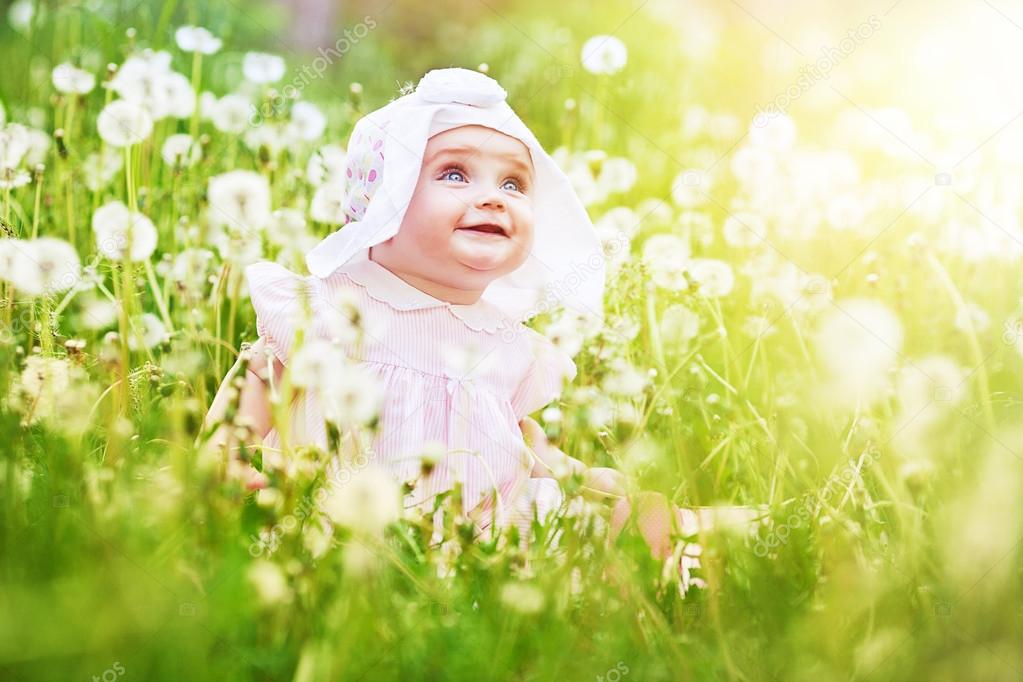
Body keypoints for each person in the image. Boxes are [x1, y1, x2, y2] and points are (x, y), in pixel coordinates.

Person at [204, 66, 690, 557]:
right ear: (383, 205)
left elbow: (519, 439)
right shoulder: (332, 306)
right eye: (454, 174)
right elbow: (262, 376)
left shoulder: (508, 340)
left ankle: (693, 537)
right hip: (336, 522)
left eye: (514, 185)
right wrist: (226, 453)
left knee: (604, 525)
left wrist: (571, 473)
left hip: (481, 535)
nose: (493, 198)